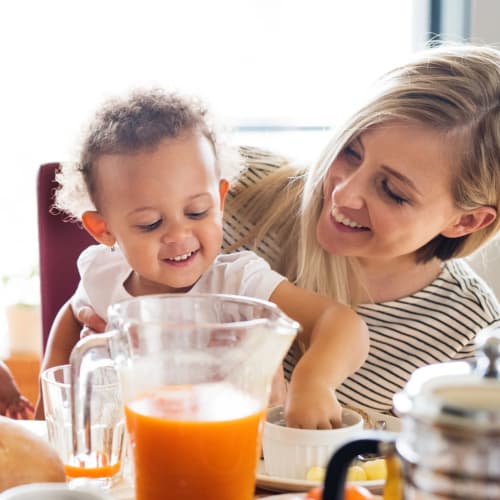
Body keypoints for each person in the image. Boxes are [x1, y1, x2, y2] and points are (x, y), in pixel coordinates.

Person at [35, 89, 369, 428]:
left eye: (197, 212)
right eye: (150, 223)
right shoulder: (103, 273)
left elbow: (342, 324)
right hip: (129, 461)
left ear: (220, 201)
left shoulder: (239, 283)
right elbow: (72, 315)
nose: (179, 236)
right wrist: (49, 403)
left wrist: (314, 382)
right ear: (103, 229)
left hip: (226, 456)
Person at [222, 43, 500, 415]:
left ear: (465, 221)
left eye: (392, 191)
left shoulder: (469, 332)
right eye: (351, 151)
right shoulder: (227, 191)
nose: (343, 193)